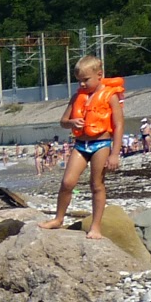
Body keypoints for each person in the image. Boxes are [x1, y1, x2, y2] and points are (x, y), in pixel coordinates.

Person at [39, 55, 124, 240]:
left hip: (101, 143)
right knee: (67, 182)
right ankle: (58, 219)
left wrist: (115, 154)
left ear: (99, 75)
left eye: (86, 80)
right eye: (79, 81)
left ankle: (95, 227)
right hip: (80, 144)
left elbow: (118, 126)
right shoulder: (77, 96)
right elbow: (63, 122)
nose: (82, 84)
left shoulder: (110, 97)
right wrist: (71, 122)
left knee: (97, 185)